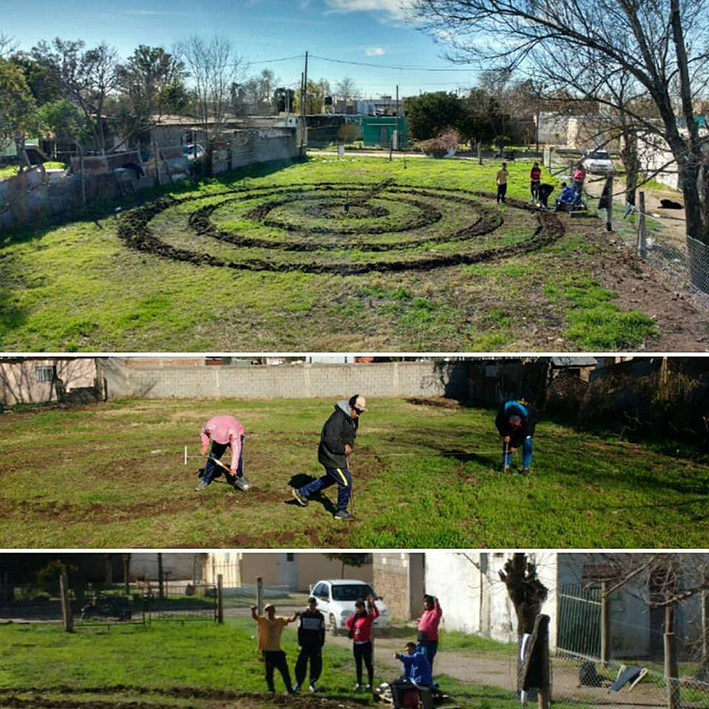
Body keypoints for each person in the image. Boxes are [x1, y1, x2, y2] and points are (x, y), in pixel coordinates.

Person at [292, 395, 367, 521]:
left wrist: (349, 445)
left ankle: (302, 492)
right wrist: (343, 449)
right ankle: (341, 511)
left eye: (361, 412)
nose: (359, 414)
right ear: (350, 407)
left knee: (331, 479)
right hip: (330, 455)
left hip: (337, 455)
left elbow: (351, 436)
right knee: (345, 481)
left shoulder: (353, 419)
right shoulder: (337, 419)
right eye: (358, 411)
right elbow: (329, 440)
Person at [251, 603, 298, 694]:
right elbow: (255, 617)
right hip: (267, 651)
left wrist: (296, 615)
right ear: (266, 612)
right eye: (268, 610)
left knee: (285, 671)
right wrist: (253, 610)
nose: (270, 612)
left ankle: (289, 689)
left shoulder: (279, 620)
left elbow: (290, 620)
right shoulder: (263, 620)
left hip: (277, 651)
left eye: (272, 610)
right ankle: (271, 689)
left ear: (274, 611)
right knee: (269, 672)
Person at [196, 415, 245, 491]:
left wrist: (233, 468)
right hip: (221, 427)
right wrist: (205, 446)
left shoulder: (234, 432)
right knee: (213, 457)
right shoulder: (210, 426)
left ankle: (239, 478)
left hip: (237, 433)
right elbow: (204, 433)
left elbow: (236, 451)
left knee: (238, 458)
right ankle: (205, 480)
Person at [345, 595, 379, 692]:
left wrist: (373, 605)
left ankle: (370, 684)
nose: (358, 609)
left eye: (360, 607)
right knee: (358, 664)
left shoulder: (368, 617)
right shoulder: (355, 617)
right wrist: (352, 631)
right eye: (357, 607)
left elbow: (376, 614)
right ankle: (359, 683)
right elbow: (347, 623)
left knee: (368, 664)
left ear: (363, 607)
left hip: (366, 644)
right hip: (357, 644)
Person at [495, 398, 537, 475]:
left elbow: (524, 432)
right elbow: (499, 423)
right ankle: (505, 465)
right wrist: (505, 434)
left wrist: (515, 445)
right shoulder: (503, 413)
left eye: (516, 425)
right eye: (512, 424)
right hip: (508, 422)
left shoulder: (527, 417)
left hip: (528, 426)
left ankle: (526, 468)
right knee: (507, 442)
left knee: (527, 443)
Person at [294, 596, 326, 693]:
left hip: (315, 644)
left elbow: (322, 630)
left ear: (316, 605)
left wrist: (321, 643)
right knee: (301, 664)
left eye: (314, 605)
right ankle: (299, 684)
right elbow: (299, 630)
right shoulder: (303, 615)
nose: (312, 607)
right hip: (305, 644)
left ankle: (312, 683)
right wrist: (300, 643)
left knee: (315, 664)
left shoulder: (320, 616)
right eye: (310, 605)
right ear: (308, 605)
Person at [390, 642, 433, 709]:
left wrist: (399, 656)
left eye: (409, 650)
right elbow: (407, 673)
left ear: (414, 648)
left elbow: (411, 659)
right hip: (415, 681)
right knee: (395, 683)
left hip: (420, 682)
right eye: (407, 651)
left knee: (395, 686)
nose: (408, 652)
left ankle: (398, 706)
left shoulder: (419, 655)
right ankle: (403, 704)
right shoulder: (413, 659)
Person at [417, 595, 442, 672]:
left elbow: (438, 609)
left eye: (428, 602)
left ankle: (428, 676)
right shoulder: (425, 613)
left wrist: (436, 601)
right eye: (425, 602)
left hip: (430, 641)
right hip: (421, 640)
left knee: (427, 660)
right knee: (419, 659)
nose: (426, 604)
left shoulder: (435, 613)